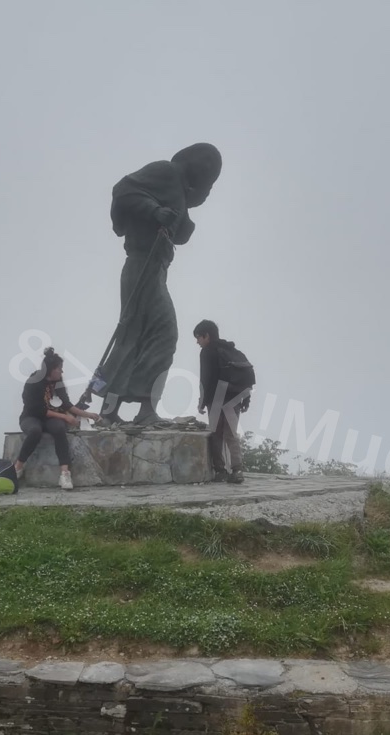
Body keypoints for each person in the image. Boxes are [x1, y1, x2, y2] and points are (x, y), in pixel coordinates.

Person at [94, 143, 223, 426]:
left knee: (134, 334)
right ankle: (142, 410)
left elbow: (179, 230)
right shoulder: (166, 171)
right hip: (142, 264)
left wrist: (180, 222)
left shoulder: (177, 188)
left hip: (155, 269)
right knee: (161, 333)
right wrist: (153, 210)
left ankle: (110, 411)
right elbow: (122, 191)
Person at [14, 347, 101, 490]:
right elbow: (37, 409)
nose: (62, 371)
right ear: (50, 369)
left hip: (50, 418)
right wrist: (64, 416)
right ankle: (18, 467)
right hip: (31, 417)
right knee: (35, 431)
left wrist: (88, 414)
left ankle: (65, 473)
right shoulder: (33, 381)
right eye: (59, 368)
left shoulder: (58, 382)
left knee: (59, 428)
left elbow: (66, 404)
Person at [194, 319, 249, 484]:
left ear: (207, 336)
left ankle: (220, 471)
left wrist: (202, 402)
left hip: (217, 398)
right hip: (235, 398)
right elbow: (244, 377)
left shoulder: (207, 352)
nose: (197, 342)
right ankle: (237, 470)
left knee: (216, 435)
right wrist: (246, 399)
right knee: (231, 434)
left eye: (198, 337)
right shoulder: (234, 351)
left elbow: (206, 379)